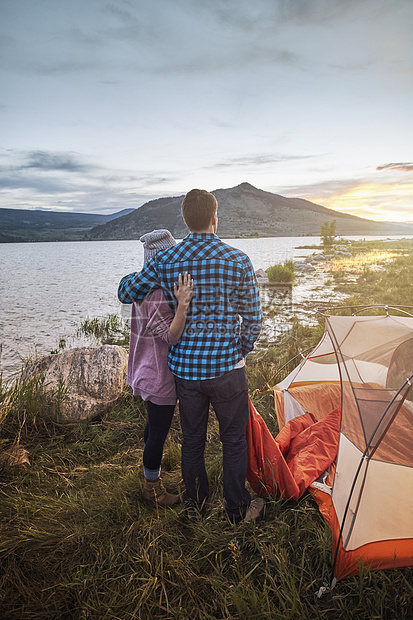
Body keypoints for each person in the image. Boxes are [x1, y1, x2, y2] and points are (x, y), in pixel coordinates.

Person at [118, 189, 264, 523]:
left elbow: (126, 292)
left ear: (185, 219)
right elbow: (253, 319)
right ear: (215, 218)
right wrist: (237, 351)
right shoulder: (238, 260)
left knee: (193, 441)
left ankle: (194, 508)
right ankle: (236, 511)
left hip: (186, 373)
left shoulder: (166, 261)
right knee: (233, 441)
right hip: (229, 370)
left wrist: (137, 274)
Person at [126, 229, 193, 507]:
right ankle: (152, 490)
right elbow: (170, 337)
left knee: (153, 428)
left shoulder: (142, 289)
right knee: (158, 435)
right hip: (158, 377)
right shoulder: (155, 296)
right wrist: (183, 305)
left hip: (143, 371)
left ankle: (149, 473)